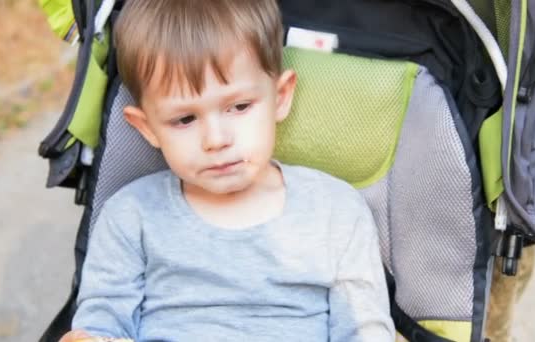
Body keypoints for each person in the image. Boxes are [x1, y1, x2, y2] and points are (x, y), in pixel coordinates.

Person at [60, 0, 395, 341]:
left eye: (239, 106)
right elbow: (102, 323)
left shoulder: (335, 211)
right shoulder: (131, 216)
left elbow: (363, 327)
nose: (216, 140)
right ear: (146, 128)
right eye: (185, 119)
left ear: (280, 97)